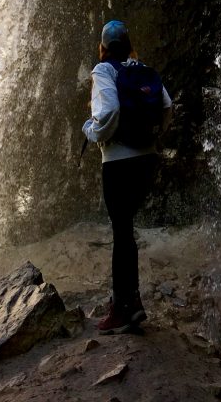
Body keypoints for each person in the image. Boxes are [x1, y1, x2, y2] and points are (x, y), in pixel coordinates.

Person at [83, 19, 172, 334]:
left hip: (118, 163)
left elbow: (108, 114)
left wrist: (92, 132)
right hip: (146, 160)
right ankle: (131, 304)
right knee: (127, 233)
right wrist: (154, 138)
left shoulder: (104, 71)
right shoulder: (141, 67)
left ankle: (122, 309)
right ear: (130, 44)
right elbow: (167, 105)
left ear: (103, 47)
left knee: (122, 235)